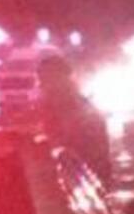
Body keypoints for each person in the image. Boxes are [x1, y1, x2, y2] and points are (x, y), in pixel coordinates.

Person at [36, 55, 114, 185]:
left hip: (81, 179)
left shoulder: (76, 108)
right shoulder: (52, 107)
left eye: (46, 79)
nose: (42, 85)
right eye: (42, 79)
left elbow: (71, 145)